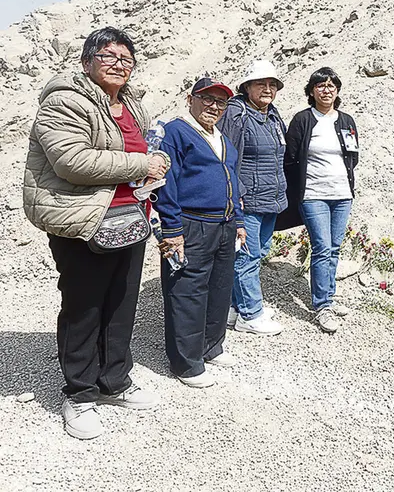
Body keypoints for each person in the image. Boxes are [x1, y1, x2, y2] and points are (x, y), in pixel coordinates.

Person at [23, 27, 168, 439]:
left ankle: (115, 380)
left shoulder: (130, 103)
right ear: (87, 62)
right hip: (84, 220)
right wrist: (143, 165)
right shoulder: (65, 101)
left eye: (127, 59)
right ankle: (80, 393)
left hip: (131, 217)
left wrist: (155, 160)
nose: (119, 65)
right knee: (85, 306)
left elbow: (142, 148)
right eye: (109, 56)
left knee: (121, 304)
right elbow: (72, 161)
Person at [154, 78, 246, 388]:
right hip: (191, 224)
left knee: (220, 288)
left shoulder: (222, 138)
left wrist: (240, 221)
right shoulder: (175, 132)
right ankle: (186, 363)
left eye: (221, 102)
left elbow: (233, 181)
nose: (214, 106)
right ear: (190, 98)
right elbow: (165, 183)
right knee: (187, 291)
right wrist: (172, 228)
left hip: (225, 223)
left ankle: (211, 346)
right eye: (207, 99)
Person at [278, 67, 358, 334]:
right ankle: (322, 305)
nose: (327, 90)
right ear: (312, 91)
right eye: (321, 85)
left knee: (334, 247)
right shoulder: (303, 119)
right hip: (313, 194)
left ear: (337, 90)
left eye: (331, 85)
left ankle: (329, 298)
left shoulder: (346, 120)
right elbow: (290, 158)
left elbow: (352, 156)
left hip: (342, 194)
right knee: (322, 247)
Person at [219, 60, 287, 336]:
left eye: (272, 84)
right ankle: (251, 314)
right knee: (247, 257)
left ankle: (235, 307)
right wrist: (236, 198)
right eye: (261, 84)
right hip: (248, 198)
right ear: (246, 86)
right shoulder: (237, 114)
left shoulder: (272, 115)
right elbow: (228, 157)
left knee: (258, 253)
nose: (267, 89)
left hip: (271, 198)